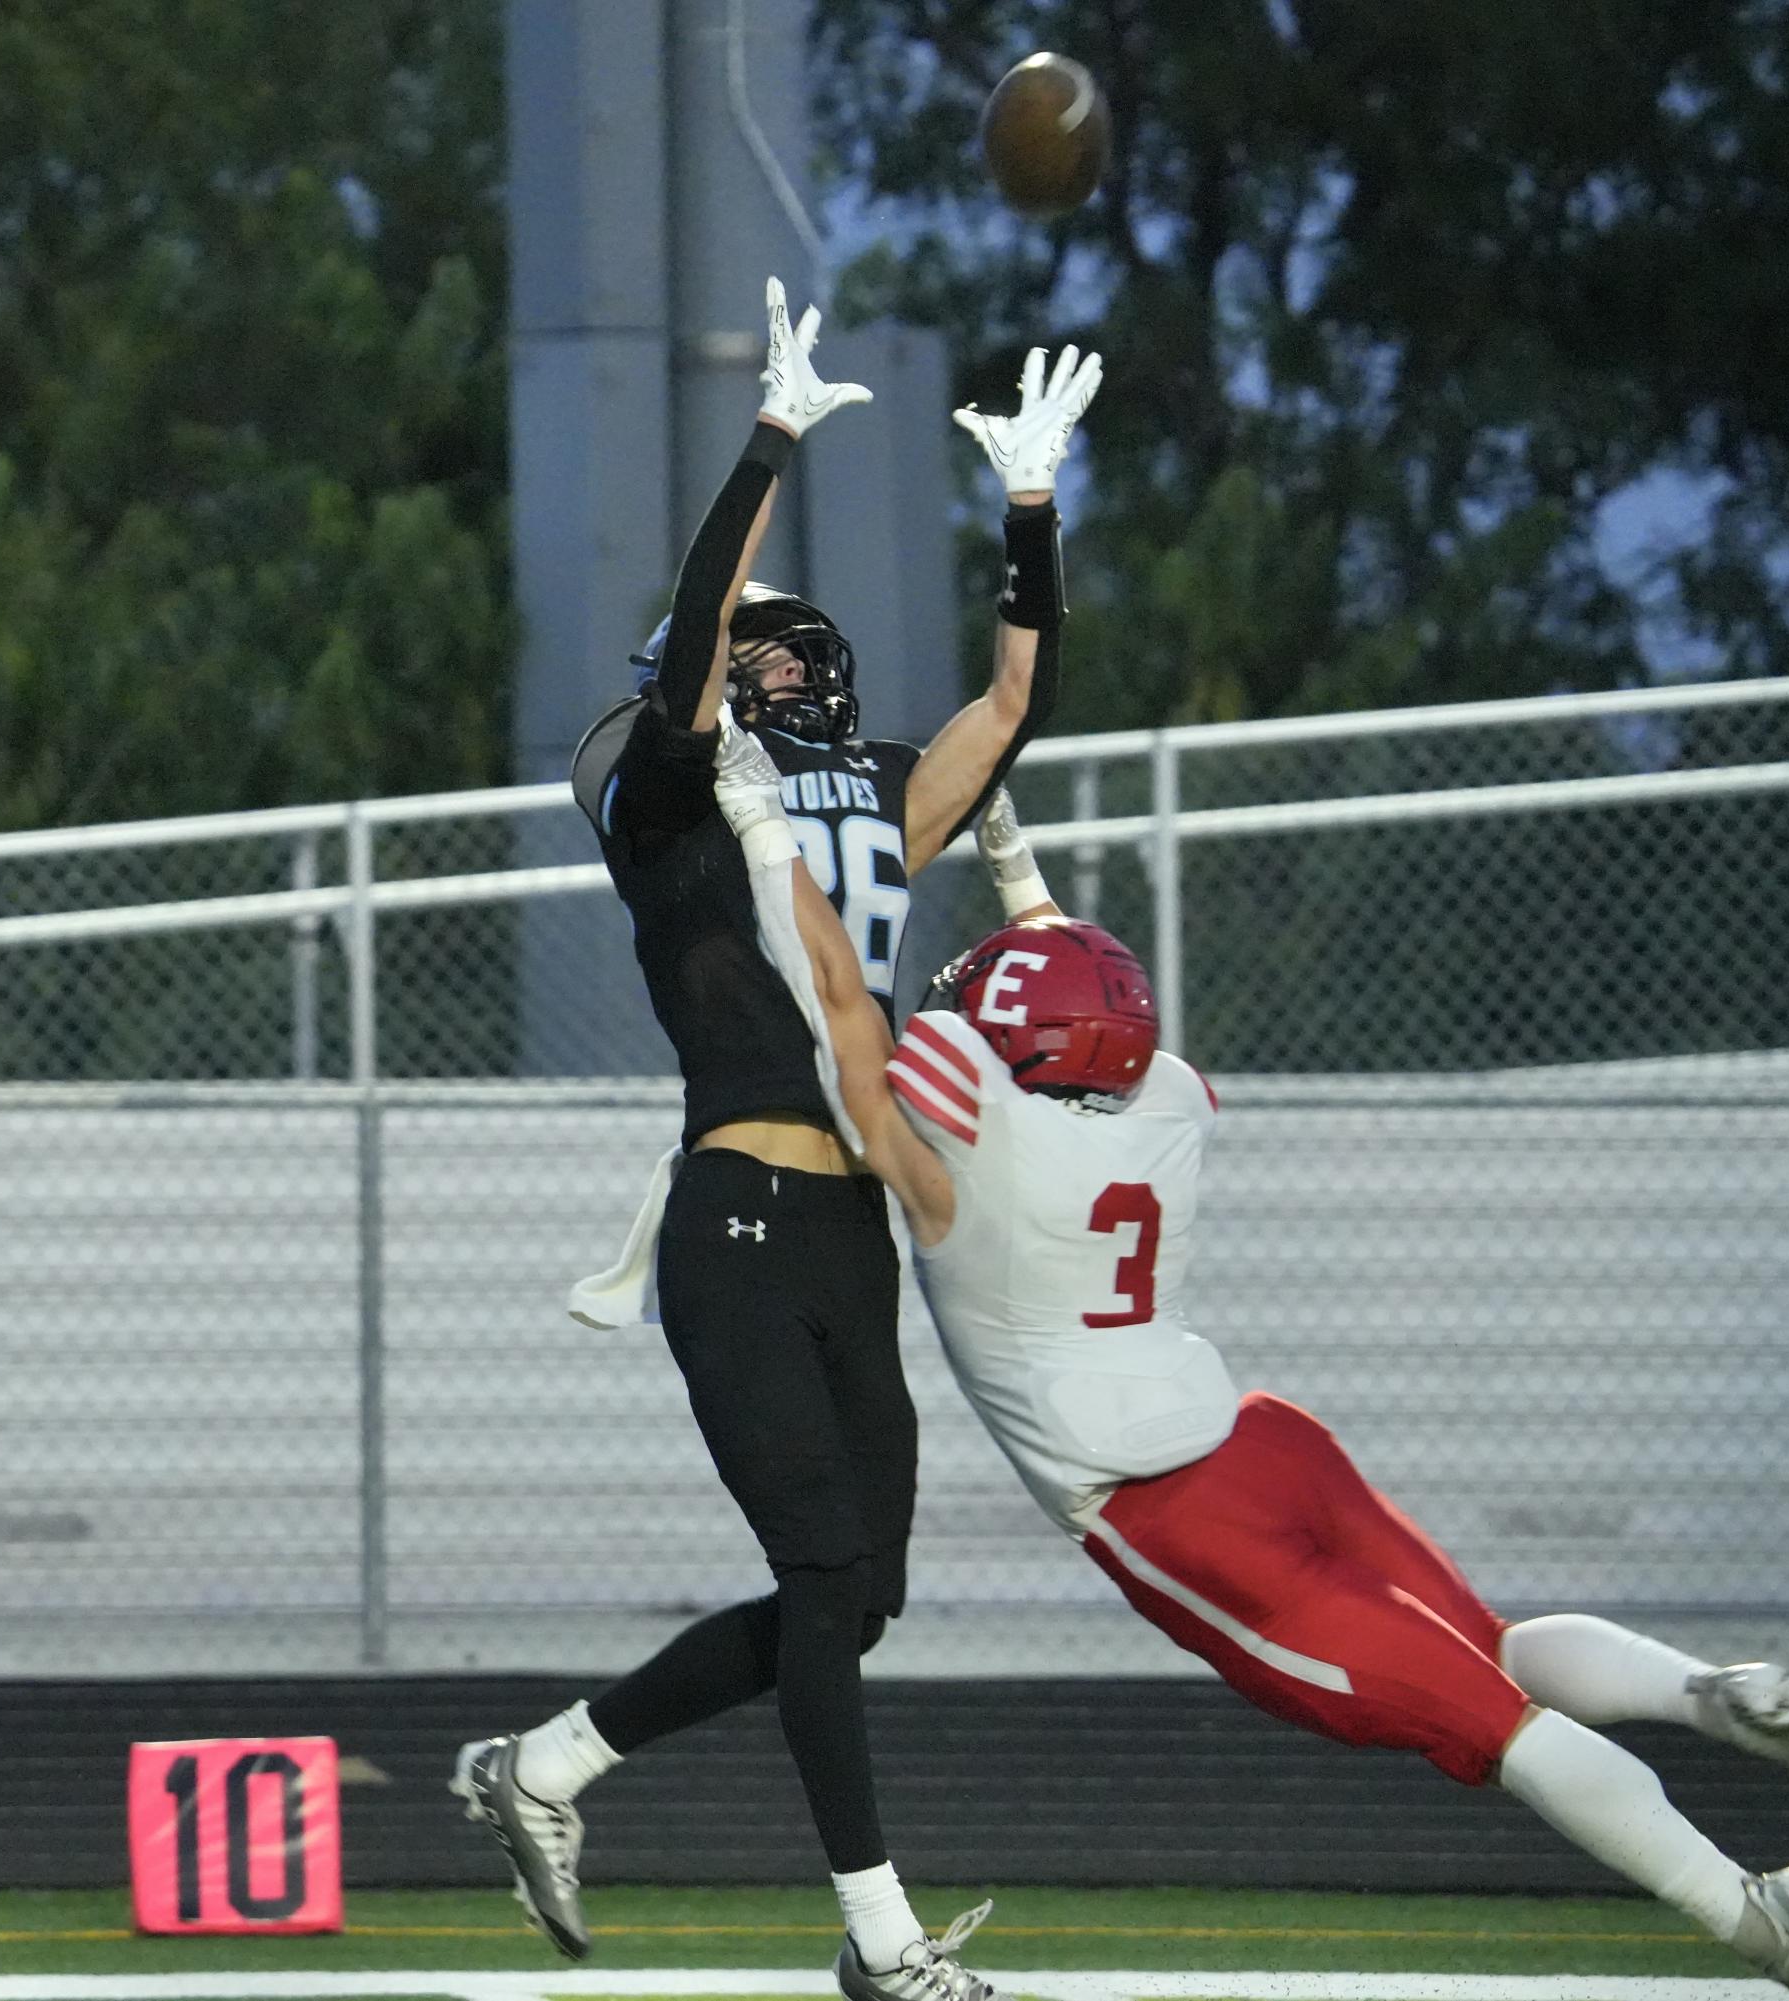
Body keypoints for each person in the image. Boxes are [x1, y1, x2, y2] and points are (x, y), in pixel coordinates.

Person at [705, 740, 1789, 2001]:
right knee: (1490, 1646)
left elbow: (838, 1007)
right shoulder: (1165, 1102)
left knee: (1504, 1731)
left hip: (1162, 1509)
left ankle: (1756, 1921)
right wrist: (1014, 859)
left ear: (1000, 1040)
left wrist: (766, 834)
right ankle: (1705, 1691)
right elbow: (1089, 993)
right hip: (1265, 1442)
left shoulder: (975, 1140)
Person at [451, 275, 1098, 2001]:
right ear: (697, 670)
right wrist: (765, 447)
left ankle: (552, 1766)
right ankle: (882, 1944)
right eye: (763, 644)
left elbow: (1014, 699)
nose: (798, 663)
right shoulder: (666, 796)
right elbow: (694, 646)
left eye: (809, 647)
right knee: (823, 1571)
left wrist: (1031, 505)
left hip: (844, 1238)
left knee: (852, 1593)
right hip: (732, 1205)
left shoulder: (878, 790)